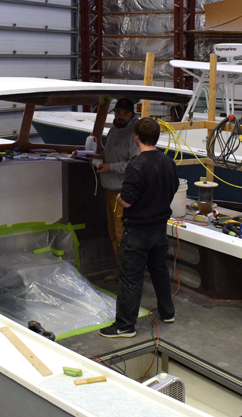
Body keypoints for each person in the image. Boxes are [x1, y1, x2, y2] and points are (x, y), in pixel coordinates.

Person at [100, 118, 177, 338]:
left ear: (136, 137)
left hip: (138, 231)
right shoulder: (168, 162)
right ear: (157, 137)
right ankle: (167, 312)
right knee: (160, 271)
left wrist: (119, 198)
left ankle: (125, 326)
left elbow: (129, 201)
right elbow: (171, 190)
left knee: (130, 278)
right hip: (159, 229)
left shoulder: (137, 165)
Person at [97, 98, 139, 284]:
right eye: (118, 113)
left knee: (123, 235)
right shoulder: (114, 130)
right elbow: (111, 153)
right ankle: (121, 271)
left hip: (123, 192)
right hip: (109, 189)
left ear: (132, 114)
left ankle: (129, 276)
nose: (120, 117)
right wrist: (99, 157)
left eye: (125, 113)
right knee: (113, 233)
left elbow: (135, 164)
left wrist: (110, 167)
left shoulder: (134, 135)